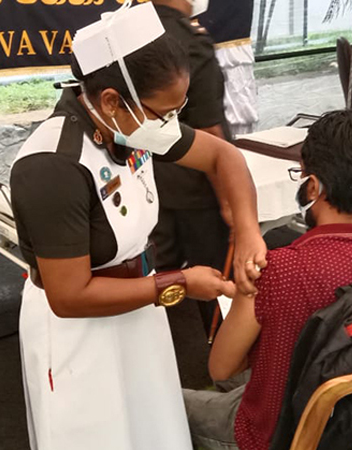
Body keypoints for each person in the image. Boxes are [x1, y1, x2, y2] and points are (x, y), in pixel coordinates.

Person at [9, 2, 267, 449]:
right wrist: (179, 284)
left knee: (152, 422)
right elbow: (70, 297)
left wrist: (247, 231)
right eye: (160, 112)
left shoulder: (132, 124)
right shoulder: (53, 166)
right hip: (79, 331)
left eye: (177, 111)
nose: (168, 125)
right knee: (96, 432)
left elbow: (223, 157)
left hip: (135, 307)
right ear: (111, 99)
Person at [182, 111, 352, 450]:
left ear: (314, 185)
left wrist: (245, 303)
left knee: (170, 403)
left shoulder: (282, 270)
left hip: (276, 434)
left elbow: (220, 367)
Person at [150, 0, 232, 334]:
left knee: (152, 277)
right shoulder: (190, 41)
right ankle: (224, 364)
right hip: (193, 184)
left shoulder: (128, 31)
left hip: (140, 179)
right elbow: (209, 131)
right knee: (216, 280)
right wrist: (229, 202)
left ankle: (148, 361)